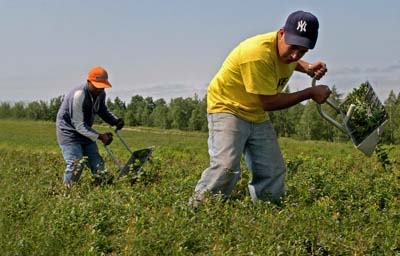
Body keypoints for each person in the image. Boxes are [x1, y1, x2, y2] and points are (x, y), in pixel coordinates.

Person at [191, 10, 330, 205]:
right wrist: (309, 93)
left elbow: (290, 59)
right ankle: (199, 210)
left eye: (303, 51)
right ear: (281, 33)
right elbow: (269, 102)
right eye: (293, 47)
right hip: (228, 107)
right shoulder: (256, 54)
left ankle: (269, 211)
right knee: (226, 166)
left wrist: (306, 67)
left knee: (272, 169)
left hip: (255, 112)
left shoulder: (289, 52)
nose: (295, 55)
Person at [56, 66, 124, 187]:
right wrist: (100, 136)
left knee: (97, 162)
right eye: (97, 86)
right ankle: (65, 193)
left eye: (102, 86)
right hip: (69, 132)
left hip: (85, 130)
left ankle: (103, 188)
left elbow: (102, 110)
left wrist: (115, 121)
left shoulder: (101, 93)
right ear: (89, 82)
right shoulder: (79, 95)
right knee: (76, 164)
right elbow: (78, 124)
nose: (99, 89)